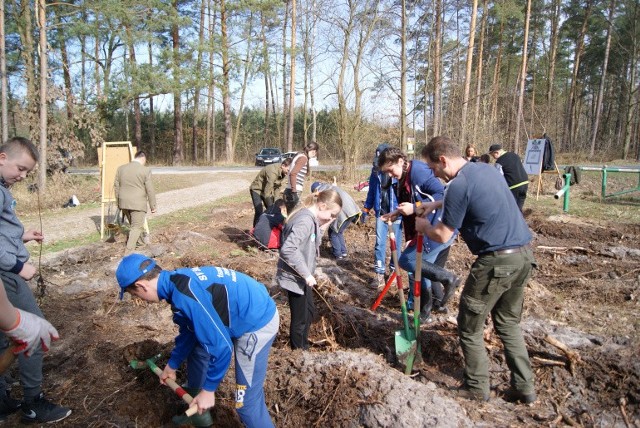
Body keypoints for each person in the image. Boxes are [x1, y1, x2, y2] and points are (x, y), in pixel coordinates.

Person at [419, 135, 536, 404]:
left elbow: (443, 234)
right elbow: (474, 199)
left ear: (443, 160)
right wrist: (435, 204)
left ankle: (476, 387)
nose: (435, 176)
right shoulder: (484, 169)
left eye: (435, 169)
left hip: (495, 263)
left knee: (469, 325)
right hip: (523, 257)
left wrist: (424, 227)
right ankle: (524, 387)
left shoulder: (458, 185)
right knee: (508, 324)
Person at [116, 254, 279, 427]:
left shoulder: (185, 295)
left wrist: (209, 390)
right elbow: (189, 331)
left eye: (135, 295)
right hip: (239, 313)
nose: (140, 300)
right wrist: (172, 365)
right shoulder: (175, 281)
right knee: (198, 350)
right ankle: (199, 415)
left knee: (246, 403)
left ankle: (208, 400)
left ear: (141, 286)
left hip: (256, 322)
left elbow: (222, 347)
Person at [0, 137, 72, 423]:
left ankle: (1, 397)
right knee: (34, 331)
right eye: (20, 168)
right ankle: (33, 403)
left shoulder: (3, 187)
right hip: (6, 275)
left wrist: (22, 236)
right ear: (2, 157)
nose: (23, 176)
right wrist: (17, 265)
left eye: (28, 171)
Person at [378, 147, 460, 322]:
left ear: (400, 161)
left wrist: (414, 208)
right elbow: (409, 204)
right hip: (424, 228)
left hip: (437, 227)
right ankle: (430, 310)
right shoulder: (402, 178)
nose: (390, 175)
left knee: (407, 261)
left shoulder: (418, 172)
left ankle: (448, 279)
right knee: (421, 269)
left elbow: (441, 196)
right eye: (387, 173)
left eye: (391, 170)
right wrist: (397, 213)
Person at [276, 189, 342, 350]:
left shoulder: (311, 220)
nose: (333, 219)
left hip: (302, 276)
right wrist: (306, 274)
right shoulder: (304, 221)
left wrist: (323, 226)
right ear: (322, 206)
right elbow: (288, 249)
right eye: (332, 214)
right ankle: (299, 351)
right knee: (300, 319)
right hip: (296, 277)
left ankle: (303, 345)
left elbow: (312, 243)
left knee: (309, 312)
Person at [362, 143, 402, 288]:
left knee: (395, 245)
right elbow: (371, 192)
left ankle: (393, 272)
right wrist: (366, 209)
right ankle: (379, 274)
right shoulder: (375, 174)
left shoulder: (397, 174)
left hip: (396, 215)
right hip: (381, 214)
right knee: (379, 245)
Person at [114, 150, 157, 251]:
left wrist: (118, 203)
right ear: (143, 158)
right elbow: (150, 190)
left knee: (135, 226)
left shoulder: (121, 169)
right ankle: (128, 253)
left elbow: (116, 187)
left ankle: (141, 245)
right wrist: (153, 206)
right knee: (136, 227)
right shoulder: (145, 170)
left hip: (123, 203)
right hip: (138, 204)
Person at [310, 182, 360, 260]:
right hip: (352, 209)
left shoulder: (322, 191)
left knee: (333, 233)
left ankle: (338, 255)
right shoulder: (329, 186)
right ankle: (343, 253)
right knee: (339, 232)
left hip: (343, 210)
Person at [249, 158, 292, 227]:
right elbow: (267, 192)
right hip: (257, 190)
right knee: (259, 210)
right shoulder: (273, 171)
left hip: (266, 191)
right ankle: (255, 231)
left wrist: (277, 204)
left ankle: (269, 229)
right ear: (283, 166)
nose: (289, 172)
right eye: (288, 170)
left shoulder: (283, 172)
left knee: (274, 210)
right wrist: (272, 207)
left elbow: (277, 188)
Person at [283, 142, 319, 214]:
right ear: (313, 151)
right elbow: (293, 173)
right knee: (298, 215)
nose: (314, 155)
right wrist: (294, 192)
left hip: (289, 189)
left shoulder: (299, 155)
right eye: (315, 153)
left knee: (290, 216)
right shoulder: (303, 158)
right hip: (294, 190)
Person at [489, 144, 528, 211]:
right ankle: (519, 220)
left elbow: (498, 177)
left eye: (492, 155)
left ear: (496, 152)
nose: (493, 157)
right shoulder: (514, 155)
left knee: (512, 209)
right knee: (519, 208)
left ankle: (513, 220)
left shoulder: (499, 162)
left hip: (513, 186)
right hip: (524, 183)